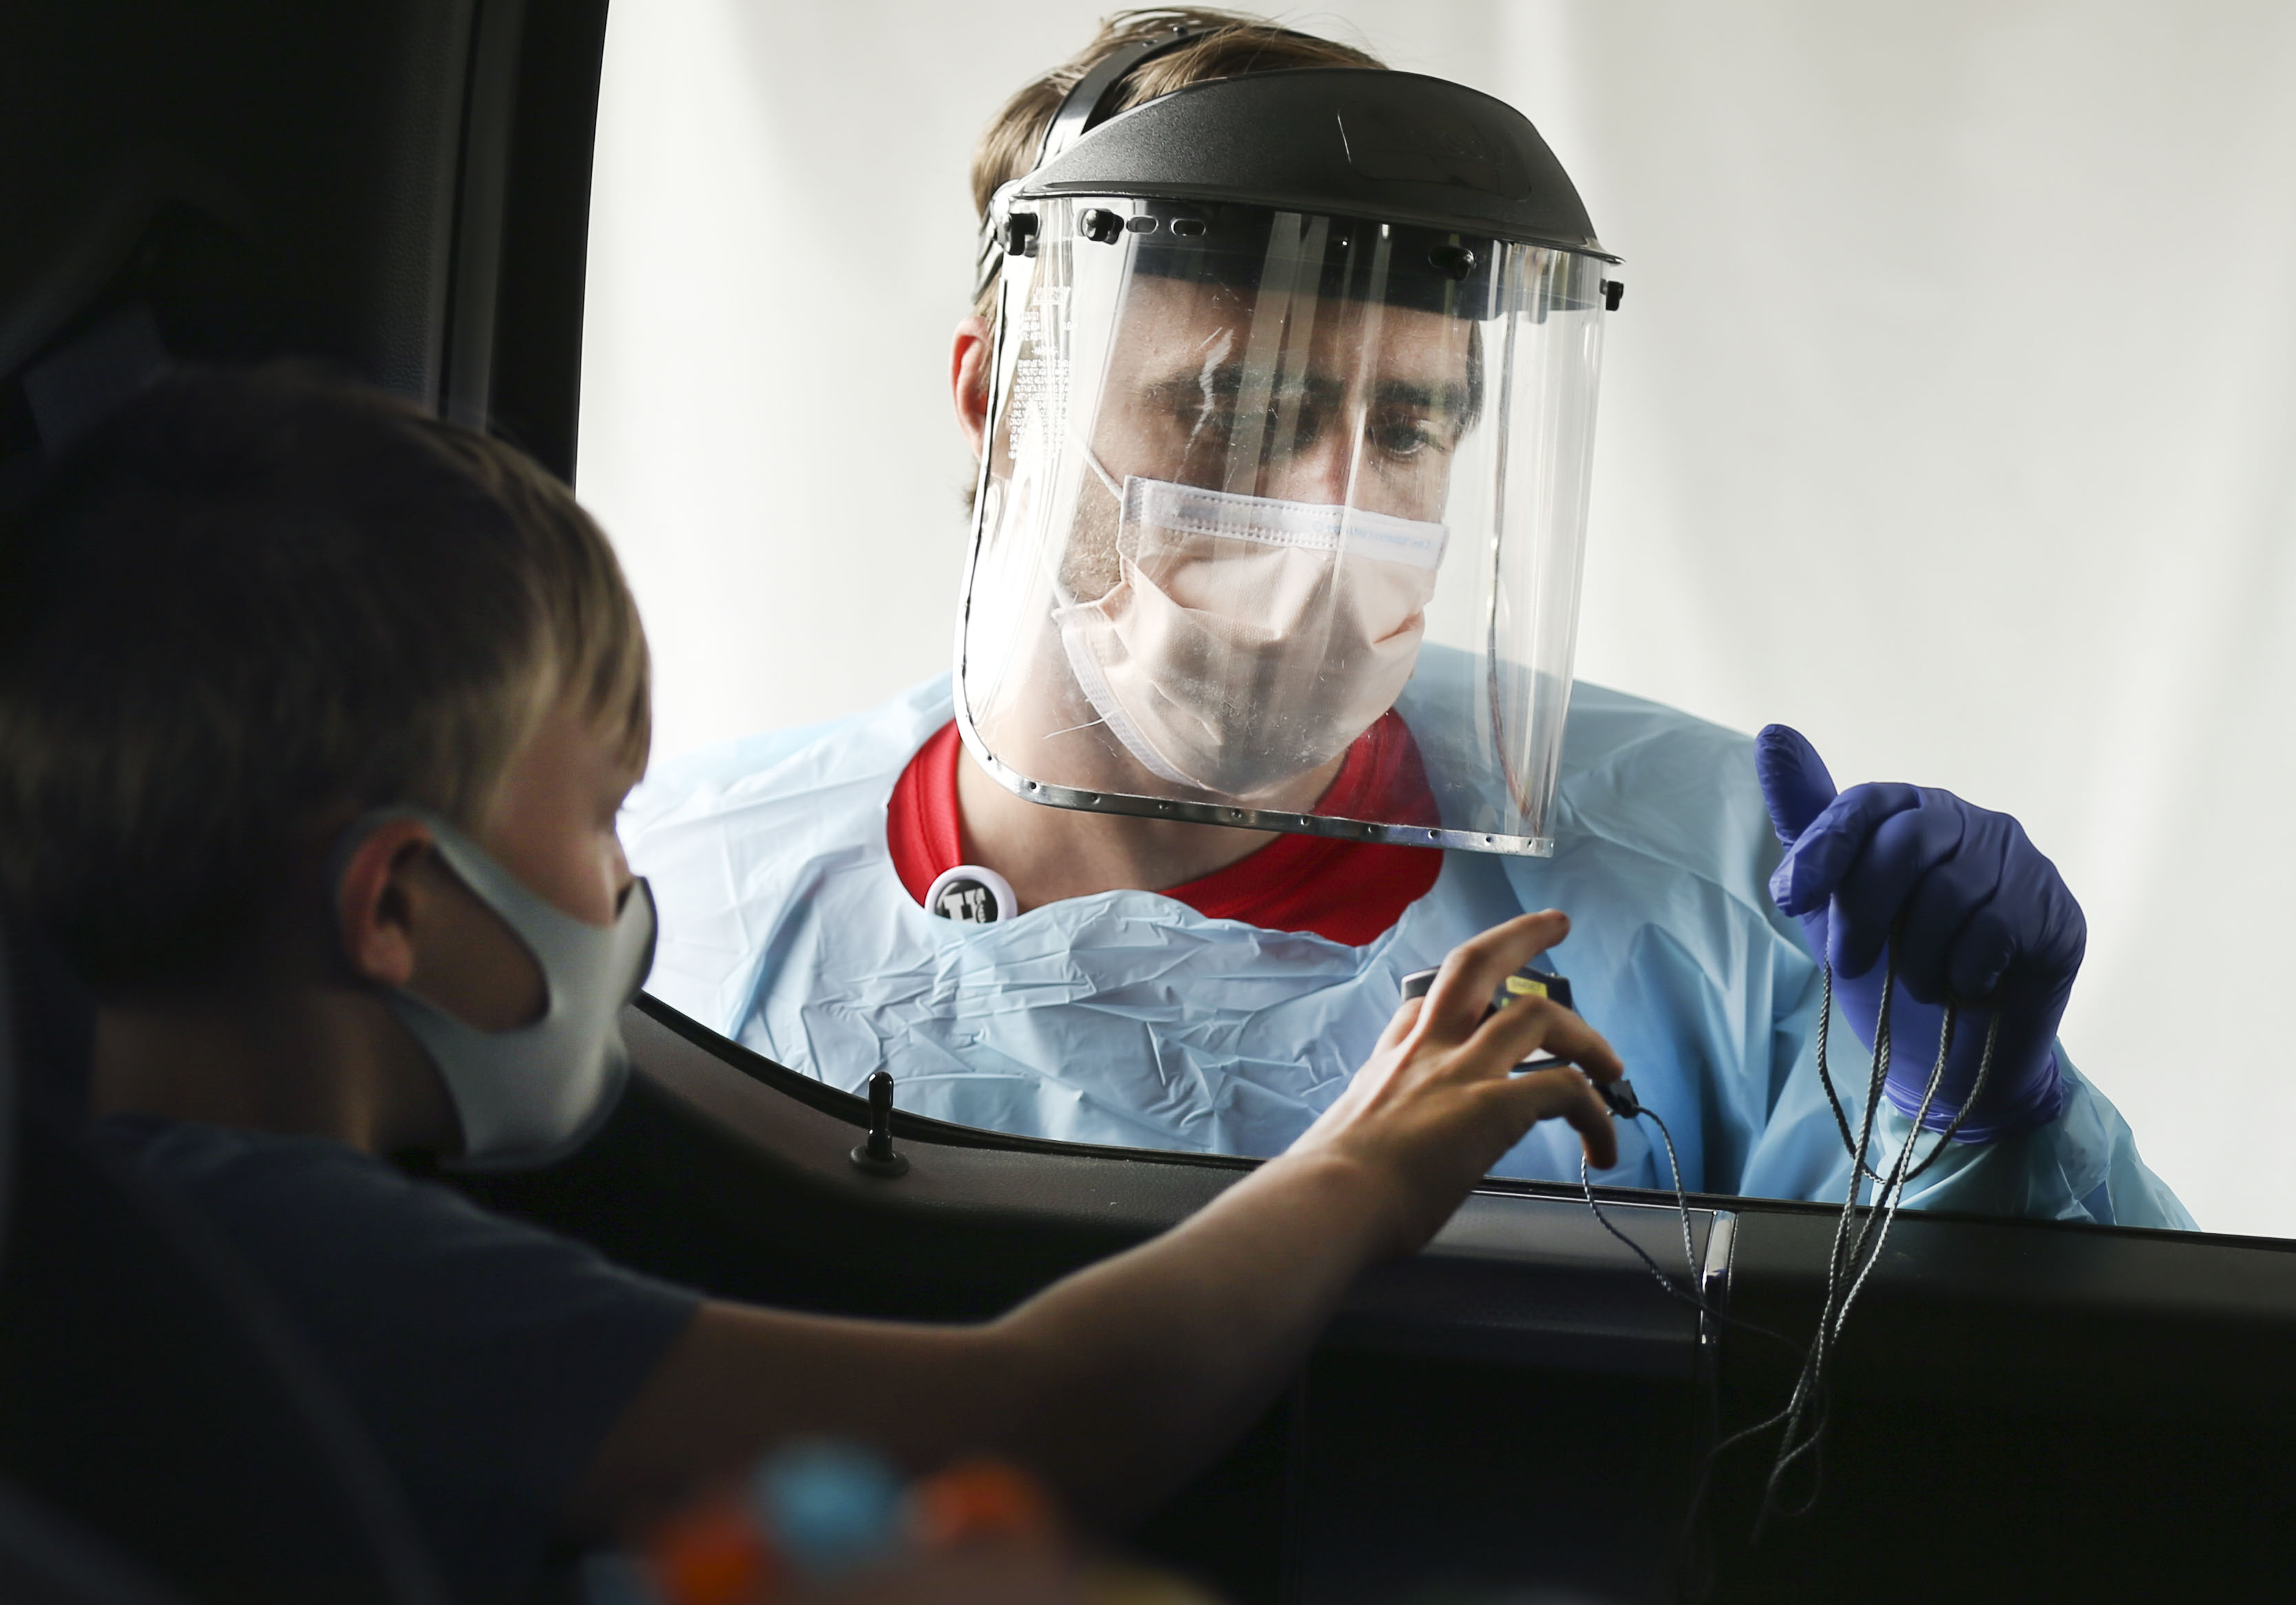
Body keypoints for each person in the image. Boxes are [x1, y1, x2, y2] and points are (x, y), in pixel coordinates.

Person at [0, 364, 1627, 1604]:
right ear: (396, 907)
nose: (626, 887)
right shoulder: (308, 1257)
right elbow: (1032, 1413)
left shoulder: (114, 1219)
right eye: (601, 815)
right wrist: (1357, 1172)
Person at [622, 9, 2191, 1228]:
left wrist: (1970, 1122)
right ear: (998, 406)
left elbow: (2007, 1440)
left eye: (1409, 428)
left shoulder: (1721, 895)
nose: (1328, 523)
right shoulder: (687, 913)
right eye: (1236, 409)